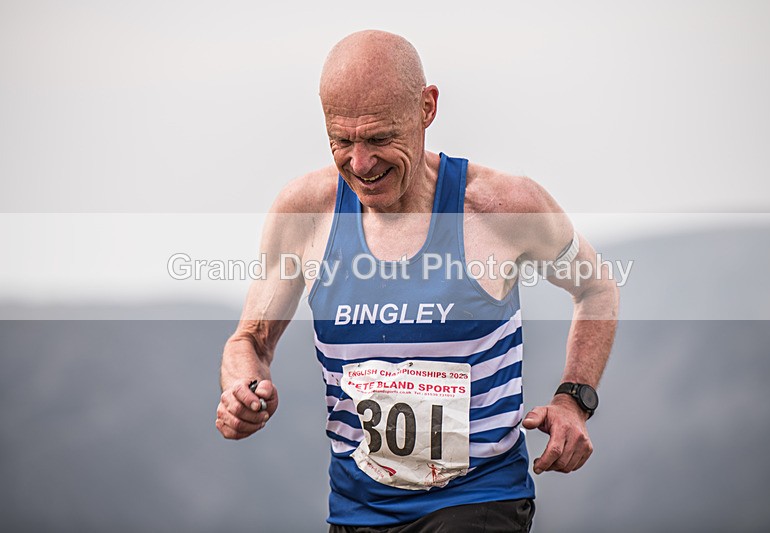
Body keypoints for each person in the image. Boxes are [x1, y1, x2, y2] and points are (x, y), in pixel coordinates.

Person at [216, 30, 619, 532]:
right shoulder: (305, 212)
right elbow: (250, 340)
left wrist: (574, 400)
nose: (360, 165)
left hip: (479, 498)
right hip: (355, 508)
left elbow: (596, 287)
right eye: (341, 141)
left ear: (426, 108)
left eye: (380, 138)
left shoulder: (501, 208)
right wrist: (240, 388)